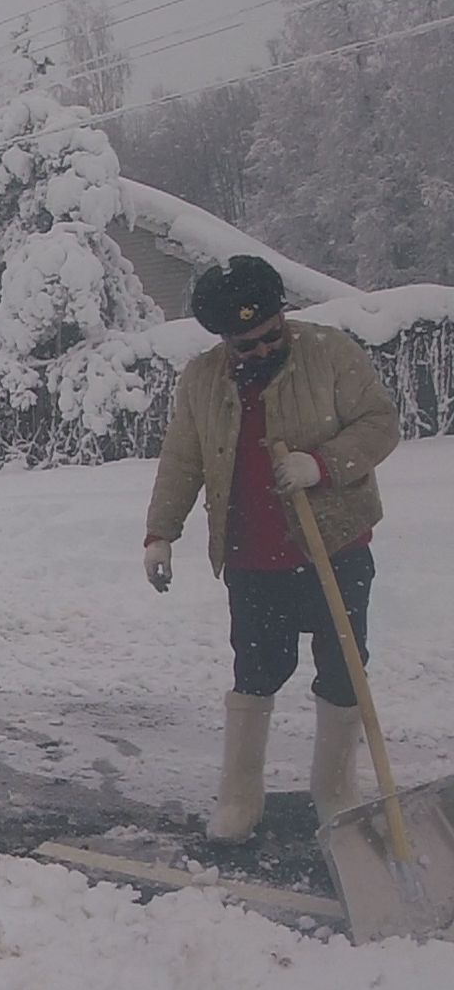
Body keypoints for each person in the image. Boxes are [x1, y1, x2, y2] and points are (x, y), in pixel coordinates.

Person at [143, 255, 400, 841]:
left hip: (334, 544)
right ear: (222, 341)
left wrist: (323, 464)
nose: (260, 350)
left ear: (284, 316)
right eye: (244, 344)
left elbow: (380, 422)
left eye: (268, 335)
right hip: (252, 556)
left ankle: (334, 789)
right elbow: (182, 458)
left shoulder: (329, 353)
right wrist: (161, 532)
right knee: (256, 671)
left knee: (343, 670)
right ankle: (240, 799)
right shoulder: (203, 379)